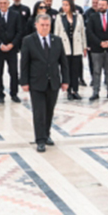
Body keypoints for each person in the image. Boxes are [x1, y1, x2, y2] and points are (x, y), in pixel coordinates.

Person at [20, 14, 69, 152]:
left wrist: (66, 80)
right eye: (42, 25)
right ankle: (40, 140)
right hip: (36, 82)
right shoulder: (28, 40)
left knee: (49, 111)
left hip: (53, 82)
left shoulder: (57, 40)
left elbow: (63, 62)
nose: (45, 28)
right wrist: (24, 81)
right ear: (36, 25)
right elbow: (24, 63)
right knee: (39, 112)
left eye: (47, 25)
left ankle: (47, 134)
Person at [0, 0, 23, 104]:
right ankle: (0, 94)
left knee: (13, 72)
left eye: (5, 3)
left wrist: (12, 44)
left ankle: (14, 93)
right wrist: (0, 44)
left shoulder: (16, 15)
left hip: (11, 49)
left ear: (8, 4)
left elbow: (19, 31)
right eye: (1, 3)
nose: (3, 5)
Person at [53, 0, 86, 101]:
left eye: (66, 5)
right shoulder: (59, 17)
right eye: (63, 5)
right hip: (65, 48)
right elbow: (56, 33)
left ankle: (75, 90)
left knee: (75, 70)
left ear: (71, 5)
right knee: (66, 70)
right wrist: (56, 48)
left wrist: (84, 47)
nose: (65, 7)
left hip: (76, 47)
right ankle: (68, 91)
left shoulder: (79, 16)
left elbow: (82, 32)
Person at [86, 0, 108, 101]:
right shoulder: (92, 17)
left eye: (103, 5)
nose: (101, 6)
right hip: (96, 49)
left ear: (107, 6)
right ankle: (95, 92)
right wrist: (99, 43)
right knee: (96, 71)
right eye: (99, 4)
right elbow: (90, 32)